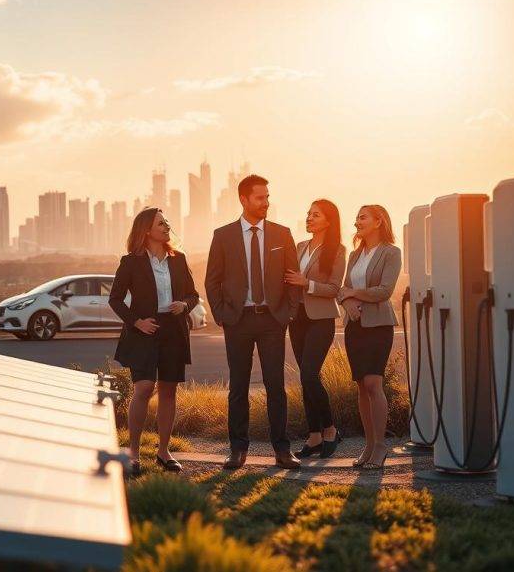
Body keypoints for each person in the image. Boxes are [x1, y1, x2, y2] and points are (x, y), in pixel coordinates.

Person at [205, 175, 302, 470]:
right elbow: (212, 281)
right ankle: (237, 449)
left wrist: (287, 314)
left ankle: (282, 450)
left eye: (268, 197)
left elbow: (293, 279)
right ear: (244, 200)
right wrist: (222, 315)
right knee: (238, 386)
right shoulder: (223, 236)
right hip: (238, 320)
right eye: (260, 198)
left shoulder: (282, 234)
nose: (266, 203)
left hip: (273, 320)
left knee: (276, 386)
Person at [109, 207, 200, 476]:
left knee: (169, 390)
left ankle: (163, 451)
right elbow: (115, 299)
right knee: (144, 388)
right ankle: (133, 453)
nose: (167, 226)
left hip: (173, 330)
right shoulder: (131, 262)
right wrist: (137, 322)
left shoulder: (178, 259)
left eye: (167, 222)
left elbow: (194, 295)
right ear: (146, 230)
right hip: (143, 331)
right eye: (161, 223)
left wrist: (184, 305)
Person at [338, 205, 402, 469]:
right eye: (357, 217)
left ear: (379, 221)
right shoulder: (354, 255)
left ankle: (380, 447)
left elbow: (384, 291)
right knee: (362, 387)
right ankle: (367, 444)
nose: (357, 221)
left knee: (374, 383)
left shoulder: (391, 252)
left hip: (379, 326)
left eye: (362, 216)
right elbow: (342, 288)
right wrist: (347, 300)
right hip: (354, 325)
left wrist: (353, 294)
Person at [284, 199, 346, 459]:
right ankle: (314, 436)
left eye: (316, 215)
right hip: (296, 318)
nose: (309, 218)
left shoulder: (338, 250)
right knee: (304, 377)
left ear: (328, 221)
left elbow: (333, 288)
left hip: (321, 319)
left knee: (310, 374)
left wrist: (306, 283)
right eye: (308, 213)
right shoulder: (299, 246)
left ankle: (330, 429)